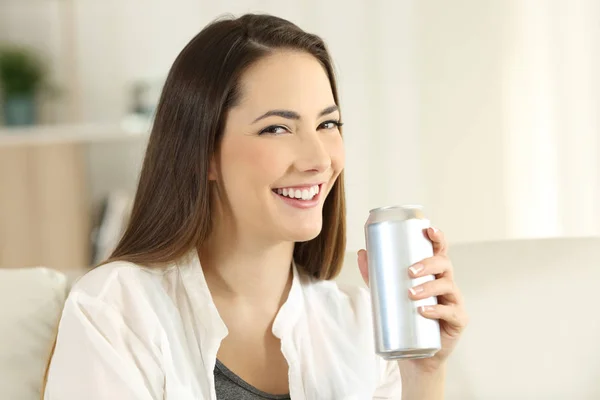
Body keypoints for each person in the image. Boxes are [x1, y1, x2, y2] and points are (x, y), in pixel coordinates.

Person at [43, 14, 468, 400]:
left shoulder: (359, 326)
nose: (318, 158)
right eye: (277, 128)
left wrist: (423, 374)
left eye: (328, 124)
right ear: (204, 152)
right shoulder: (116, 309)